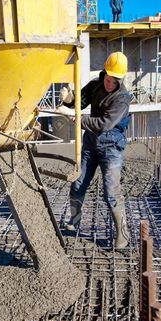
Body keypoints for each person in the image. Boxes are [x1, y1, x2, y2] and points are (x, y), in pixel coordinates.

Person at [58, 52, 131, 249]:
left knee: (111, 192)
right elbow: (78, 103)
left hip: (111, 148)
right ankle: (74, 222)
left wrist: (77, 119)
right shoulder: (95, 85)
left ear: (120, 79)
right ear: (105, 72)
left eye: (114, 80)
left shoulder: (122, 99)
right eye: (108, 78)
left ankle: (123, 234)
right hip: (90, 144)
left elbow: (104, 124)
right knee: (78, 183)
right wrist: (68, 99)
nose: (109, 83)